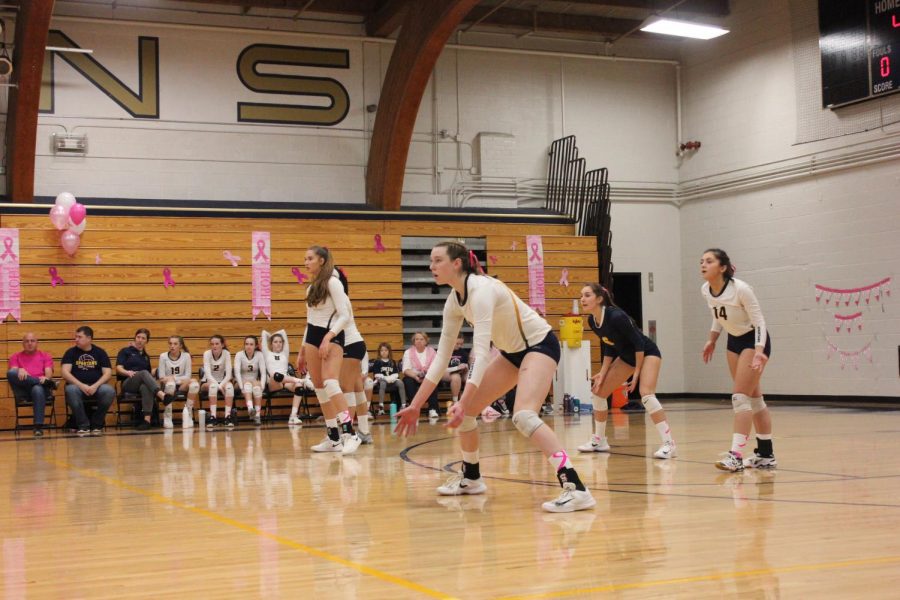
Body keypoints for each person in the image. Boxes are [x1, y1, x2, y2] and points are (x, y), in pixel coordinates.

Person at [395, 241, 595, 513]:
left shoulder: (482, 290)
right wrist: (416, 405)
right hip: (512, 352)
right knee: (467, 416)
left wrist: (463, 400)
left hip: (539, 345)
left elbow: (479, 352)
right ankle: (472, 476)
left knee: (524, 415)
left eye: (437, 260)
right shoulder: (454, 301)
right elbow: (441, 358)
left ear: (457, 263)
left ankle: (576, 487)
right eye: (430, 261)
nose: (431, 267)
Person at [577, 283, 677, 459]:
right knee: (599, 392)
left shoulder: (616, 316)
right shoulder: (592, 321)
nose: (582, 299)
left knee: (646, 394)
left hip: (646, 353)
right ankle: (600, 440)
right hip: (627, 356)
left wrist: (637, 371)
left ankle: (669, 444)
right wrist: (602, 372)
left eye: (587, 295)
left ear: (599, 299)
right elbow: (610, 346)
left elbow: (638, 342)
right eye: (581, 296)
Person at [700, 248, 776, 472]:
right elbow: (718, 316)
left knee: (739, 398)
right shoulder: (706, 289)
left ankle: (735, 456)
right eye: (701, 261)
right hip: (733, 341)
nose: (703, 265)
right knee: (754, 399)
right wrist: (712, 340)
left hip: (753, 341)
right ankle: (765, 454)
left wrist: (760, 350)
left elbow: (760, 321)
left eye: (709, 261)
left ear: (722, 267)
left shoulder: (741, 289)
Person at [298, 245, 358, 454]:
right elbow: (309, 321)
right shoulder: (311, 287)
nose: (306, 262)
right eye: (305, 259)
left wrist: (329, 336)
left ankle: (351, 433)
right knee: (319, 387)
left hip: (331, 335)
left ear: (321, 260)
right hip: (313, 337)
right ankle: (333, 437)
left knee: (331, 383)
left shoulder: (334, 282)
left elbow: (345, 315)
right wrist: (302, 350)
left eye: (310, 258)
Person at [335, 268, 371, 446]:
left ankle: (347, 434)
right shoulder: (340, 297)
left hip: (350, 346)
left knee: (345, 388)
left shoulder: (339, 298)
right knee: (357, 388)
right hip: (355, 344)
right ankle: (364, 431)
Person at [61, 326, 115, 436]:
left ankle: (97, 423)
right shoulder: (70, 352)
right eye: (76, 337)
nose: (76, 339)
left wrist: (95, 386)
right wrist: (81, 385)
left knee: (109, 391)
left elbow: (108, 373)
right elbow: (65, 373)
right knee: (71, 390)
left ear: (89, 338)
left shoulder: (100, 352)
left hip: (96, 386)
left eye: (79, 337)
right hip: (77, 387)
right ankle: (83, 425)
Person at [116, 328, 173, 431]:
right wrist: (127, 372)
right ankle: (162, 395)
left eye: (143, 338)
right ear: (135, 338)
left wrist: (158, 371)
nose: (140, 340)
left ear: (146, 341)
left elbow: (149, 374)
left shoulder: (146, 356)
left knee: (146, 386)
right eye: (138, 337)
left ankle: (147, 420)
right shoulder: (125, 351)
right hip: (128, 382)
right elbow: (118, 368)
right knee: (143, 372)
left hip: (141, 382)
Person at [7, 333, 56, 437]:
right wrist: (20, 369)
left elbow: (48, 375)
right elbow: (13, 372)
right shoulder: (15, 356)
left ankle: (38, 427)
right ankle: (44, 383)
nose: (29, 343)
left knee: (37, 388)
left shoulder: (45, 356)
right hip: (23, 392)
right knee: (11, 373)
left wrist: (46, 379)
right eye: (27, 341)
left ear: (37, 343)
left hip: (41, 390)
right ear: (22, 343)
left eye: (32, 341)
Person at [261, 329, 304, 425]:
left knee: (299, 387)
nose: (278, 344)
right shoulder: (267, 353)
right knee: (275, 375)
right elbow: (264, 333)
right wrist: (270, 335)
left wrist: (274, 335)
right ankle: (300, 380)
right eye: (275, 342)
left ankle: (293, 416)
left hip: (286, 381)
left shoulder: (284, 353)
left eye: (280, 342)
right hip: (274, 383)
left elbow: (284, 332)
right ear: (271, 344)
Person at [158, 335, 199, 428]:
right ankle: (168, 415)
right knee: (171, 384)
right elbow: (161, 377)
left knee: (195, 385)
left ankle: (188, 414)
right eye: (170, 343)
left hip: (182, 385)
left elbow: (188, 376)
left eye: (175, 344)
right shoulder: (163, 356)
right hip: (168, 386)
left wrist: (172, 378)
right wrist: (171, 379)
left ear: (180, 346)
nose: (172, 346)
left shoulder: (186, 356)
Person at [402, 332, 440, 419]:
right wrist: (416, 376)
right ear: (414, 341)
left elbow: (435, 368)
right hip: (414, 376)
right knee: (407, 380)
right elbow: (406, 370)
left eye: (421, 339)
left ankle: (432, 409)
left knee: (433, 380)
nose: (419, 341)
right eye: (416, 339)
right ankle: (414, 408)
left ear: (426, 341)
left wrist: (426, 377)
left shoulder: (432, 352)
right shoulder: (408, 352)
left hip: (428, 376)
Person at [201, 334, 234, 429]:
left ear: (222, 345)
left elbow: (228, 375)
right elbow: (207, 374)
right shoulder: (207, 353)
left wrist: (221, 385)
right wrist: (218, 386)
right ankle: (213, 417)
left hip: (222, 380)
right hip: (207, 381)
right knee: (213, 387)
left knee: (229, 387)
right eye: (212, 344)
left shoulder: (226, 353)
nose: (214, 346)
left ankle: (227, 417)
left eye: (217, 343)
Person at [234, 335, 267, 426]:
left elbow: (263, 373)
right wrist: (241, 387)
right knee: (248, 385)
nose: (248, 346)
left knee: (257, 387)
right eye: (246, 344)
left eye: (251, 344)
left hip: (254, 381)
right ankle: (250, 409)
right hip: (240, 382)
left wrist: (262, 386)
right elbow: (237, 373)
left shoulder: (259, 355)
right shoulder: (239, 354)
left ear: (255, 346)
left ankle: (257, 416)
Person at [369, 342, 406, 413]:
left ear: (389, 352)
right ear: (379, 352)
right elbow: (377, 375)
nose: (384, 352)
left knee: (400, 382)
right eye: (382, 350)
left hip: (391, 382)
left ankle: (403, 405)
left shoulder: (392, 362)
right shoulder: (377, 362)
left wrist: (390, 379)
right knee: (383, 383)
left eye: (386, 350)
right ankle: (381, 406)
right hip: (380, 383)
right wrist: (386, 379)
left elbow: (396, 374)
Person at [443, 334, 469, 407]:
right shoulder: (444, 352)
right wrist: (457, 368)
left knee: (470, 377)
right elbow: (442, 369)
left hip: (459, 372)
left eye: (461, 344)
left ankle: (467, 400)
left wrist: (465, 368)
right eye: (457, 343)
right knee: (456, 377)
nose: (459, 346)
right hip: (445, 373)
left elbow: (466, 365)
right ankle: (455, 401)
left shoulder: (463, 353)